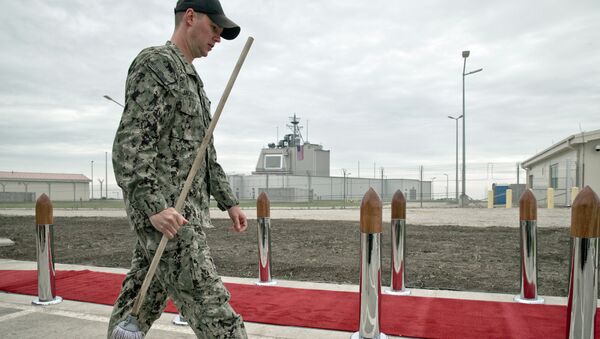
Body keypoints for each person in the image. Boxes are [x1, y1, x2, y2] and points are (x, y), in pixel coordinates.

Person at [107, 0, 248, 338]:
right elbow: (130, 143)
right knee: (212, 307)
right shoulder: (158, 64)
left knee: (138, 304)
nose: (216, 38)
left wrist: (229, 201)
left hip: (184, 214)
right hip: (168, 216)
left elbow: (204, 152)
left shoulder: (193, 81)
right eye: (214, 29)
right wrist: (154, 207)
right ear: (190, 18)